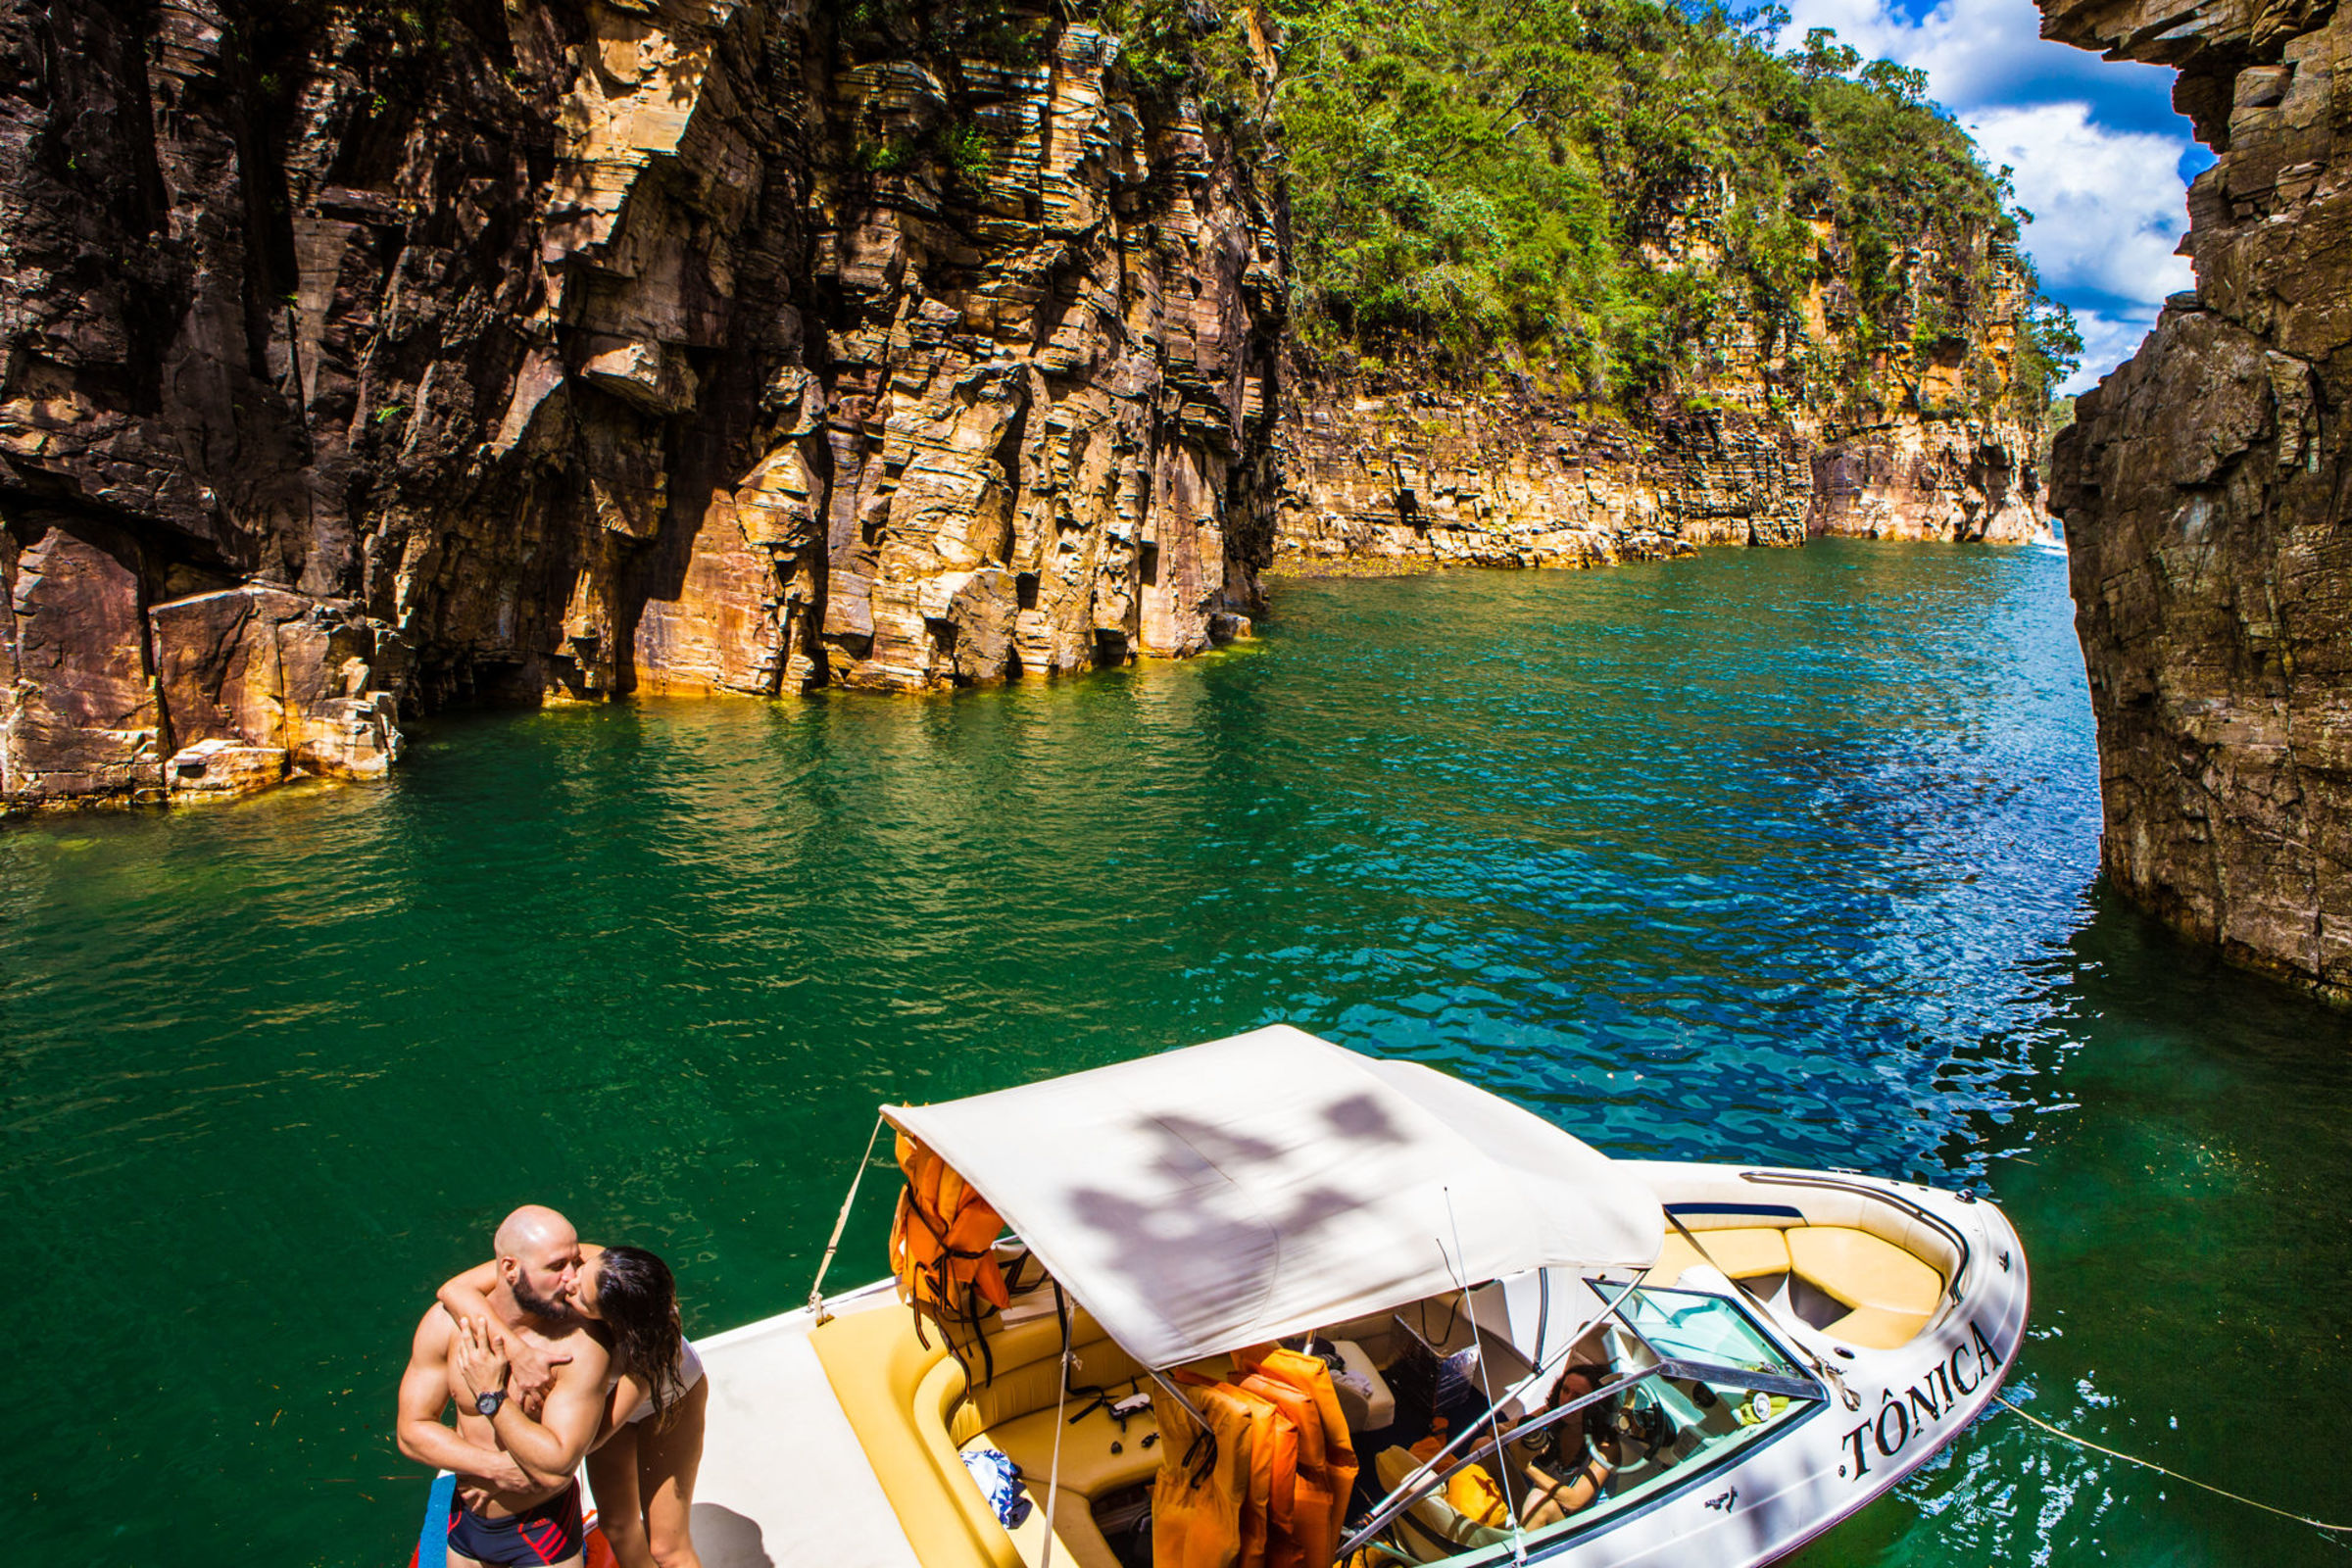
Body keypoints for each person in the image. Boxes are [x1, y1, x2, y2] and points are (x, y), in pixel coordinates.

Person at [440, 1240, 708, 1568]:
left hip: (666, 1396)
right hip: (600, 1393)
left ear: (609, 1321)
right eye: (578, 1272)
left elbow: (588, 1442)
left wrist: (510, 1474)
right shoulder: (589, 1261)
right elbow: (455, 1290)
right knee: (616, 1527)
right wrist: (519, 1352)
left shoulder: (649, 1347)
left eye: (580, 1297)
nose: (568, 1282)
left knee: (667, 1548)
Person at [397, 1205, 613, 1568]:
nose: (573, 1279)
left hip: (543, 1531)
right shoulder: (447, 1327)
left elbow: (555, 1469)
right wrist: (494, 1467)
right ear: (509, 1268)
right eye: (557, 1267)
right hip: (468, 1520)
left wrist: (492, 1394)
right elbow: (411, 1430)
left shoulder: (578, 1344)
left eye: (575, 1263)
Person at [1511, 1362, 1620, 1531]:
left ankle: (1514, 1554)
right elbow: (1496, 1432)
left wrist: (1526, 1467)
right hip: (1537, 1504)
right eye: (1565, 1390)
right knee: (1483, 1446)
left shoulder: (1606, 1447)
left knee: (1539, 1500)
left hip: (1575, 1534)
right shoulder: (1552, 1415)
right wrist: (1518, 1435)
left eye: (1577, 1396)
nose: (1567, 1401)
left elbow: (1574, 1500)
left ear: (1595, 1404)